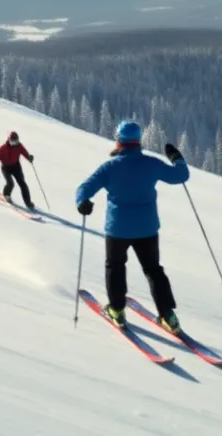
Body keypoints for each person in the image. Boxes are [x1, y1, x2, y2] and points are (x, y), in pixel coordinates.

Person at [75, 120, 189, 332]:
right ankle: (169, 317)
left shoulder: (110, 167)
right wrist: (176, 158)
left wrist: (82, 202)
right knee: (154, 270)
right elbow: (182, 176)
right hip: (147, 229)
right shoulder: (151, 164)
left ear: (118, 141)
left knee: (115, 267)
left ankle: (117, 311)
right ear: (138, 141)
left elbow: (84, 188)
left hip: (118, 229)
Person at [0, 131, 36, 210]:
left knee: (22, 184)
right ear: (9, 140)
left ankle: (28, 203)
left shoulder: (19, 146)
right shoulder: (3, 148)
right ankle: (6, 195)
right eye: (13, 141)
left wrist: (29, 157)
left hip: (16, 166)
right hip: (5, 168)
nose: (15, 143)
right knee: (10, 183)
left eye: (16, 141)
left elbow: (24, 152)